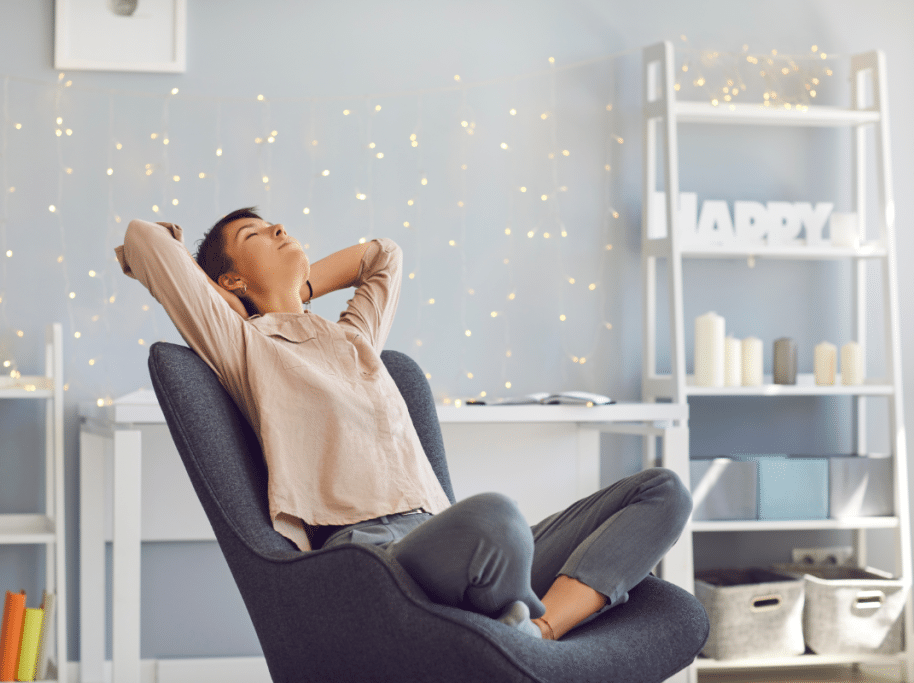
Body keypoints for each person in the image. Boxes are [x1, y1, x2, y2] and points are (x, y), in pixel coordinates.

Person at [116, 207, 692, 640]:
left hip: (448, 536)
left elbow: (382, 255)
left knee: (660, 491)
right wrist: (240, 300)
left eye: (275, 225)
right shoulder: (242, 344)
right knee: (497, 518)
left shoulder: (353, 337)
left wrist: (296, 287)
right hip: (375, 557)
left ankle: (532, 635)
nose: (276, 230)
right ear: (231, 283)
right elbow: (143, 239)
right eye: (255, 236)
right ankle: (508, 625)